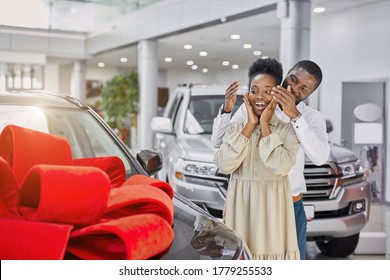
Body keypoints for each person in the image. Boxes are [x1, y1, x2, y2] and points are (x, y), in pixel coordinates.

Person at [211, 60, 331, 259]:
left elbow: (320, 158)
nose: (293, 88)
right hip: (250, 203)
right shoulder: (257, 105)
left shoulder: (311, 118)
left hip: (289, 205)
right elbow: (219, 143)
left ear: (310, 93)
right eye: (292, 79)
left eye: (304, 88)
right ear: (286, 75)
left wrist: (295, 116)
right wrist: (226, 110)